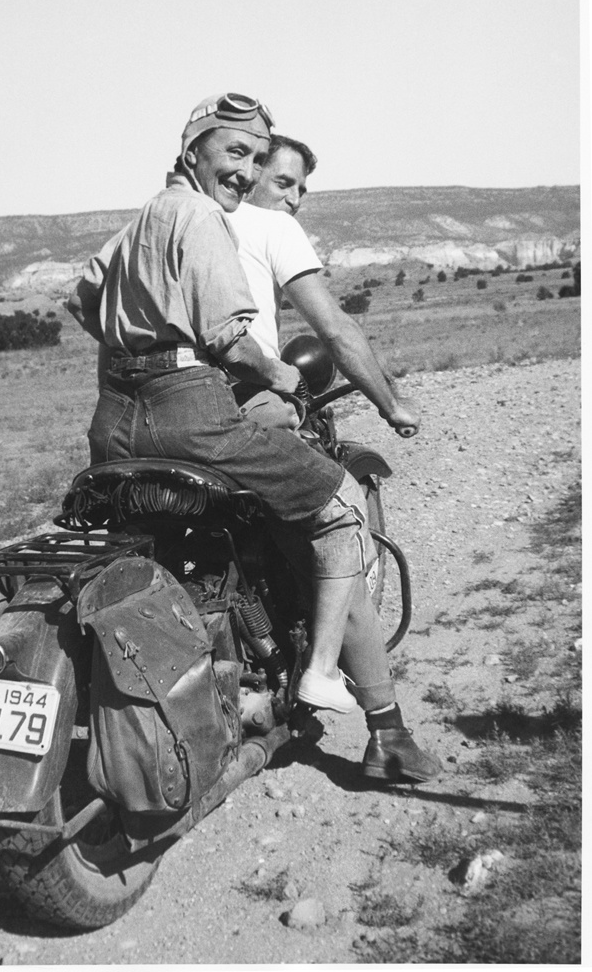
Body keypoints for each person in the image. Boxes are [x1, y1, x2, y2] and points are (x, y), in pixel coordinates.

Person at [68, 95, 441, 782]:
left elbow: (85, 298)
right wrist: (280, 377)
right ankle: (354, 702)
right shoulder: (212, 218)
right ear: (194, 152)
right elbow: (239, 339)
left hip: (114, 421)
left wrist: (138, 346)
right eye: (237, 154)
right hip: (199, 412)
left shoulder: (137, 225)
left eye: (258, 160)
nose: (252, 175)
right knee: (337, 506)